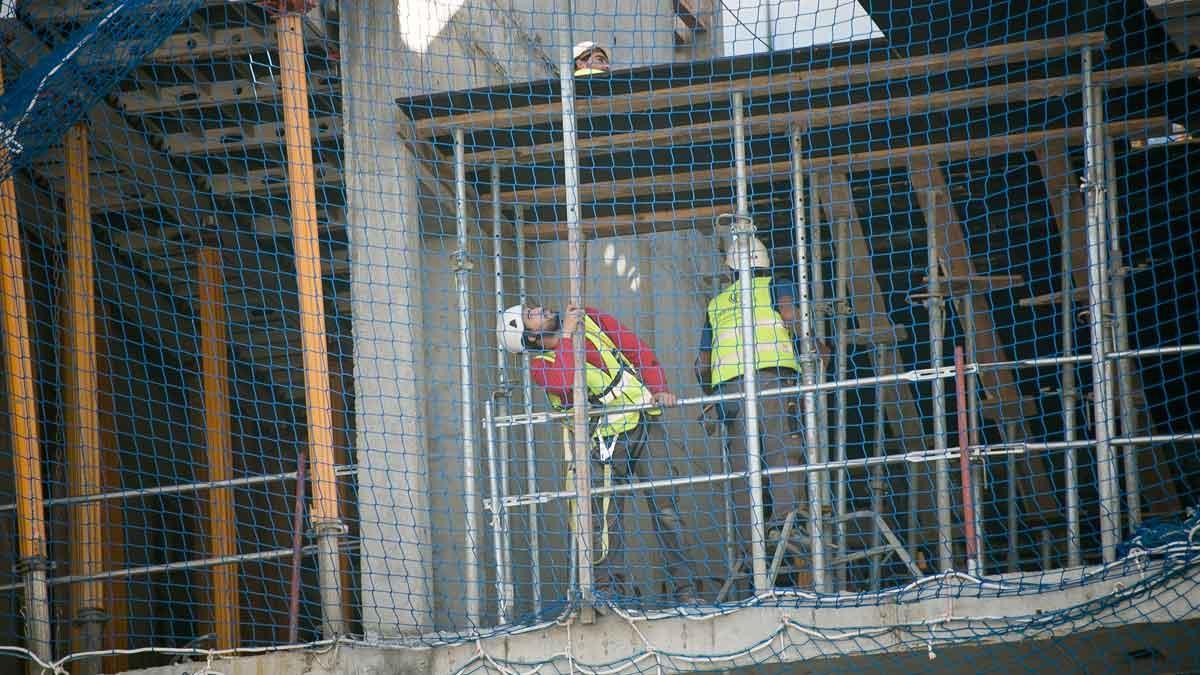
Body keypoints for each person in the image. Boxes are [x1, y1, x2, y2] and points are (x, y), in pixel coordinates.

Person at [499, 302, 701, 605]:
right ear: (530, 340)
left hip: (642, 421)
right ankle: (610, 595)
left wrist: (658, 386)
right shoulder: (540, 366)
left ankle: (686, 590)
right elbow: (565, 381)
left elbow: (635, 349)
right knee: (605, 524)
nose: (540, 308)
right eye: (531, 315)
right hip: (603, 443)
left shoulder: (589, 318)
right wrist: (567, 334)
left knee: (667, 510)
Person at [694, 236, 810, 577]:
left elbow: (701, 364)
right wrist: (815, 350)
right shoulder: (777, 286)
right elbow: (793, 319)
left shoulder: (716, 303)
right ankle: (787, 526)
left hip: (729, 392)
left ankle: (750, 544)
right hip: (771, 380)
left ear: (730, 270)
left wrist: (711, 396)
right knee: (783, 452)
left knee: (744, 468)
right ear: (765, 263)